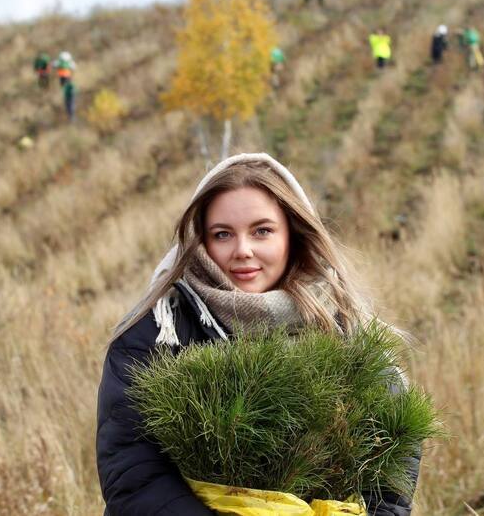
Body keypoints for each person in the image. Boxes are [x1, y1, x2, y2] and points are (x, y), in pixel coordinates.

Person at [96, 153, 421, 516]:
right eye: (222, 234)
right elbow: (132, 474)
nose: (242, 250)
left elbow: (392, 462)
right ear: (200, 241)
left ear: (292, 234)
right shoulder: (159, 334)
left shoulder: (341, 327)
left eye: (262, 231)